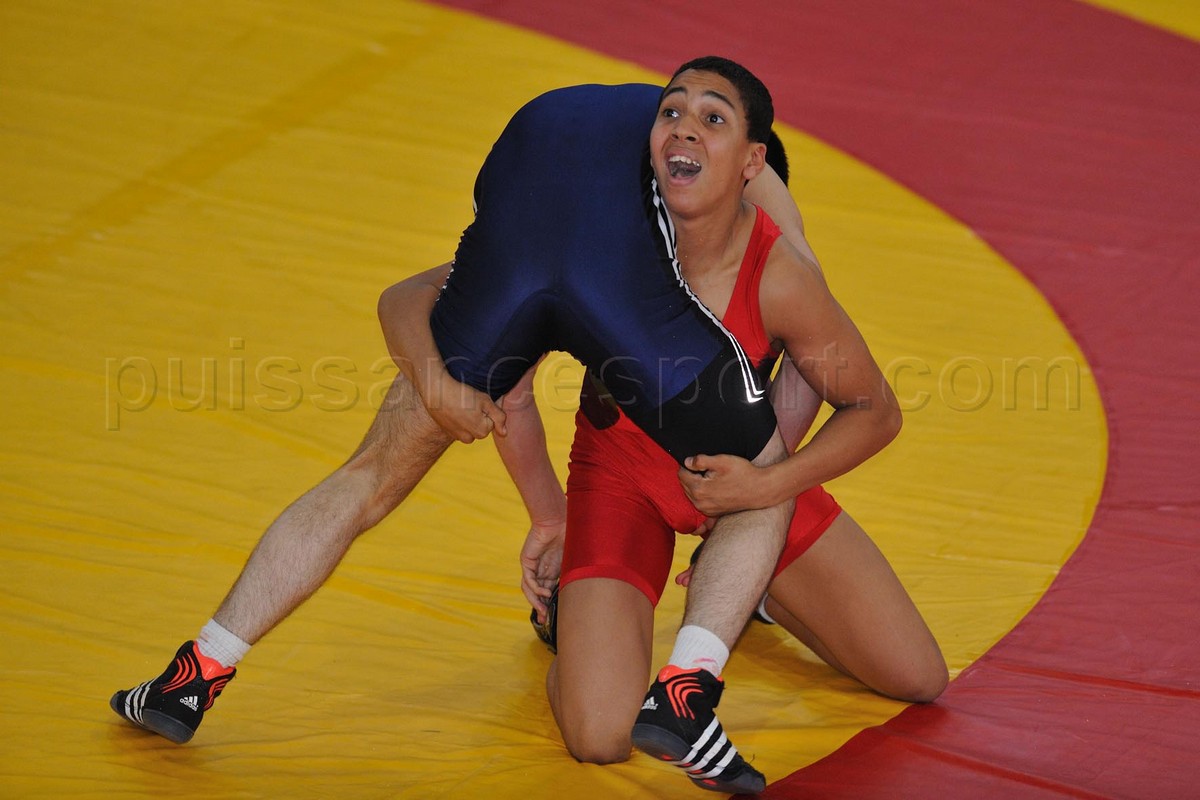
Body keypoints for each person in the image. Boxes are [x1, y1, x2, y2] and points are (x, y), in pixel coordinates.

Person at [108, 67, 799, 756]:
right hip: (586, 245)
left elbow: (438, 318)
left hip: (526, 153)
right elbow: (804, 326)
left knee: (367, 477)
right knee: (766, 482)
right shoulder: (737, 180)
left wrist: (450, 399)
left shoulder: (633, 152)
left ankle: (195, 672)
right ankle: (693, 680)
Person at [384, 57, 935, 794]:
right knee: (599, 736)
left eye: (713, 122)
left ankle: (749, 589)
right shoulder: (600, 237)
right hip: (621, 481)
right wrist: (549, 514)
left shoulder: (779, 269)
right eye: (673, 115)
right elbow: (499, 367)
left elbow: (867, 405)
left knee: (915, 675)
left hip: (740, 480)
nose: (686, 134)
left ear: (748, 168)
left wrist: (766, 488)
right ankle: (587, 626)